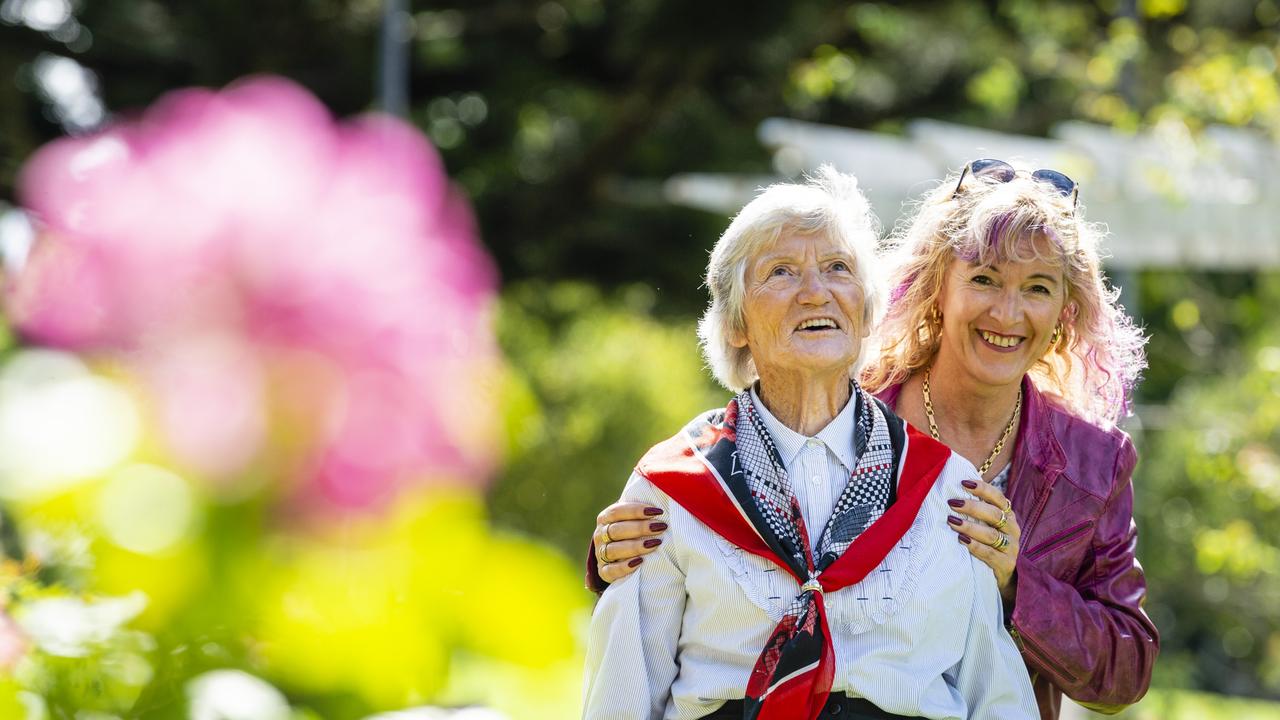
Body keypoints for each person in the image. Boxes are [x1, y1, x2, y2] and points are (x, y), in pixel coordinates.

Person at [588, 159, 1159, 719]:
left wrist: (1015, 583)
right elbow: (708, 514)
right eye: (984, 278)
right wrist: (625, 547)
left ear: (1065, 309)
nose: (1007, 311)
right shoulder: (827, 390)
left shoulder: (1071, 467)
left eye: (1037, 287)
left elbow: (1109, 671)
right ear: (938, 287)